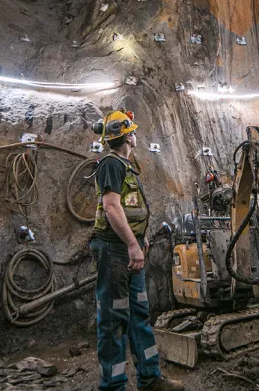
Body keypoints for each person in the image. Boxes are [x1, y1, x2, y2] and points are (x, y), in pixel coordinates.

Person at [90, 110, 184, 391]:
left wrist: (138, 238)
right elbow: (111, 206)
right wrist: (132, 244)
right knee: (113, 319)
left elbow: (128, 208)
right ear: (127, 135)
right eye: (133, 131)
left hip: (127, 248)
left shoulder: (125, 165)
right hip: (114, 250)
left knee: (139, 315)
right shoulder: (111, 164)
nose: (136, 135)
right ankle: (113, 386)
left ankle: (149, 378)